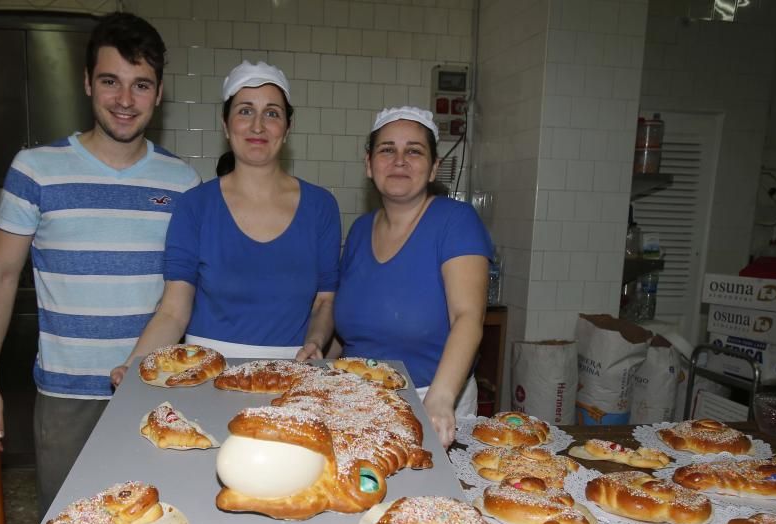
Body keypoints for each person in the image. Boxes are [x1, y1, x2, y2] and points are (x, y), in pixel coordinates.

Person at [0, 12, 201, 517]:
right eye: (110, 82)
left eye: (141, 85)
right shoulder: (35, 169)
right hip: (66, 396)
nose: (125, 100)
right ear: (86, 84)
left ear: (159, 93)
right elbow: (1, 274)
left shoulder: (182, 183)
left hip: (151, 391)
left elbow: (182, 295)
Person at [111, 60, 340, 383]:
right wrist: (134, 363)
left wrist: (315, 342)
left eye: (272, 113)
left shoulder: (320, 207)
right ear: (225, 123)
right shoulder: (196, 205)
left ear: (287, 128)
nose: (258, 126)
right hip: (204, 373)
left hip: (291, 372)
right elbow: (174, 311)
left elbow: (324, 300)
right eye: (245, 111)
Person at [333, 107, 493, 449]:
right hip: (356, 403)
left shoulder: (455, 221)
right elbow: (346, 327)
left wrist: (440, 399)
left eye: (414, 151)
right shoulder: (360, 230)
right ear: (369, 163)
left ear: (434, 167)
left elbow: (468, 318)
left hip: (431, 401)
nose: (399, 160)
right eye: (387, 149)